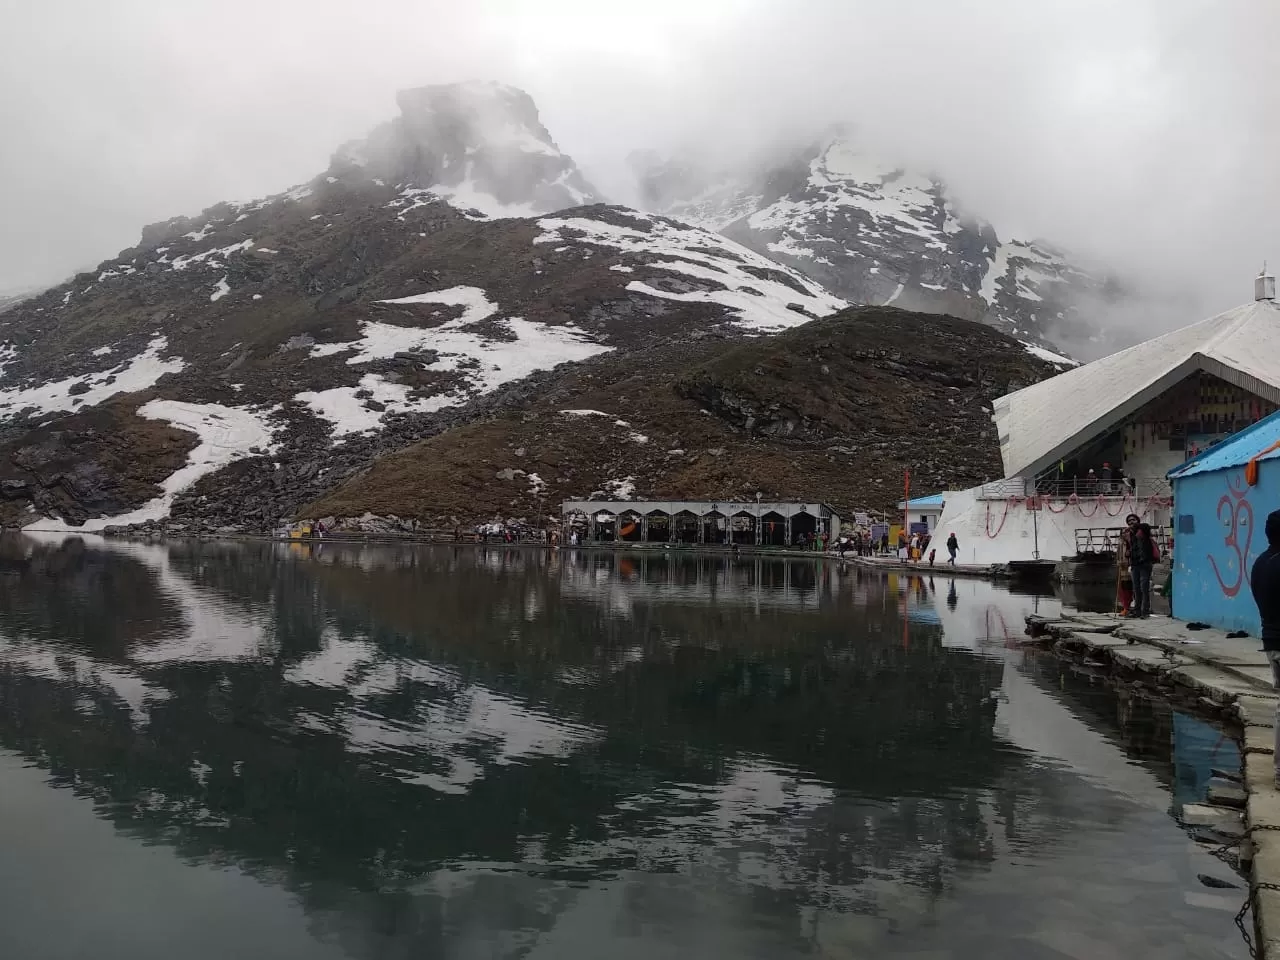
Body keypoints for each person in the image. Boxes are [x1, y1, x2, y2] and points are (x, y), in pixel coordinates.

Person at [1121, 513, 1158, 618]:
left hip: (1145, 563)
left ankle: (1145, 611)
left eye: (1133, 520)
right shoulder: (1130, 535)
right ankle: (1137, 611)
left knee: (1144, 588)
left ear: (1137, 520)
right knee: (1136, 588)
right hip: (1135, 564)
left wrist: (1133, 526)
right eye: (1129, 521)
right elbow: (1129, 549)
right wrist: (1127, 553)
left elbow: (1144, 526)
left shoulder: (1144, 529)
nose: (1131, 522)